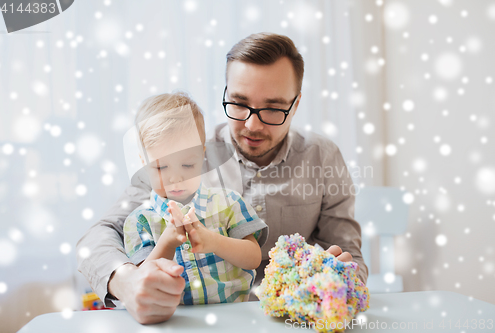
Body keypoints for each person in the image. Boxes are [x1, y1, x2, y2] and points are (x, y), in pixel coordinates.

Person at [77, 32, 368, 325]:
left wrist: (343, 278)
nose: (252, 124)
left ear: (296, 103)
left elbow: (350, 256)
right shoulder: (180, 151)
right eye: (239, 103)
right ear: (226, 92)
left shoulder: (323, 157)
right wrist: (125, 280)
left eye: (272, 108)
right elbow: (97, 236)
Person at [123, 92, 268, 306]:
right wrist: (168, 241)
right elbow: (142, 281)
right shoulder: (140, 221)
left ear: (202, 155)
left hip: (233, 317)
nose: (175, 178)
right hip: (174, 322)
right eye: (161, 167)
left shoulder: (228, 203)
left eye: (187, 165)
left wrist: (213, 241)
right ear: (143, 162)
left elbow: (254, 257)